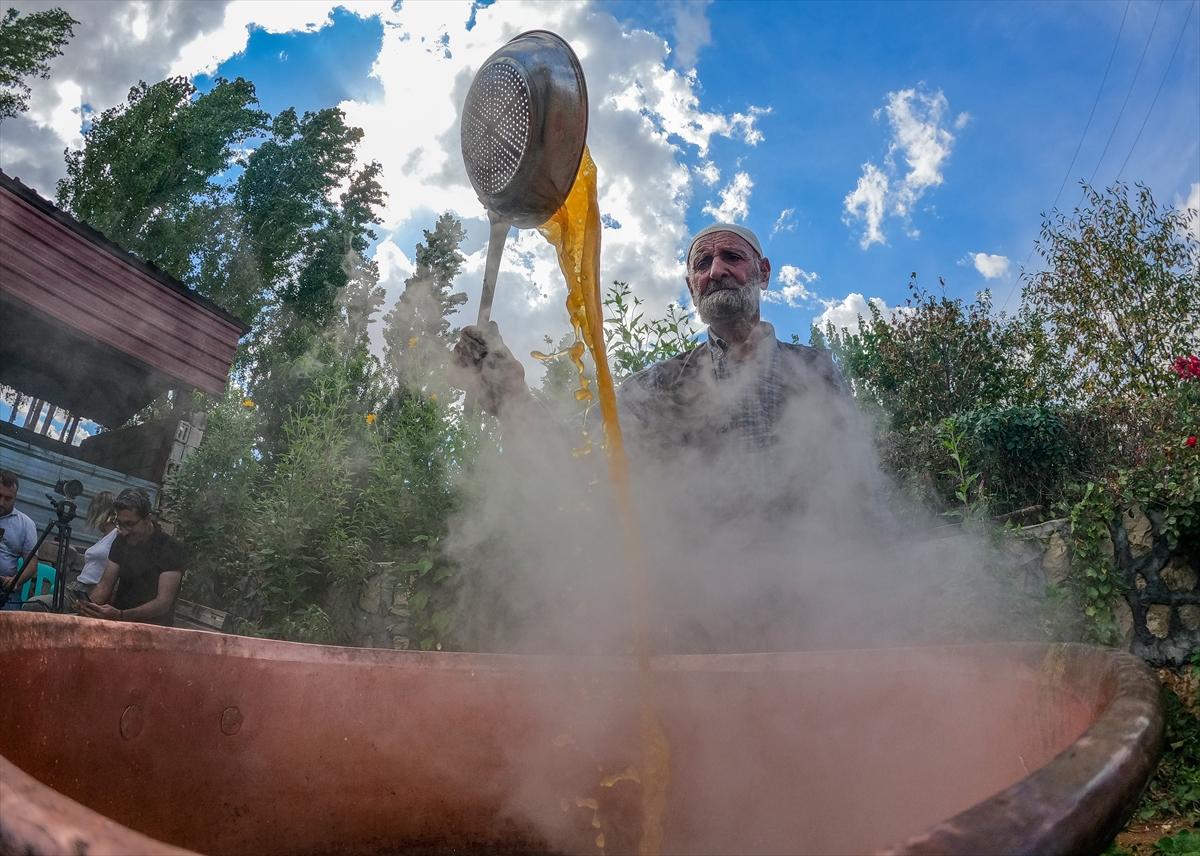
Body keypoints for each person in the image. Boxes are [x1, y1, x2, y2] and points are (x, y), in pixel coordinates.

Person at [451, 222, 844, 479]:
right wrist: (510, 396)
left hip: (815, 591)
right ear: (692, 288)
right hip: (703, 594)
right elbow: (571, 455)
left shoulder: (814, 369)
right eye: (702, 263)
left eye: (732, 257)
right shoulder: (661, 383)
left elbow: (859, 486)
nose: (716, 271)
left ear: (764, 273)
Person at [79, 488, 186, 626]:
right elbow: (104, 586)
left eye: (129, 524)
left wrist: (122, 615)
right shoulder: (120, 542)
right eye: (119, 523)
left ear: (147, 519)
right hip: (119, 623)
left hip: (153, 630)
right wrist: (88, 608)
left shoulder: (170, 548)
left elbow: (162, 603)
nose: (123, 531)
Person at [0, 470, 38, 599]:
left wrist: (16, 580)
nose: (1, 503)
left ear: (15, 497)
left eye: (8, 498)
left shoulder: (26, 524)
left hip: (4, 590)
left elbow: (31, 564)